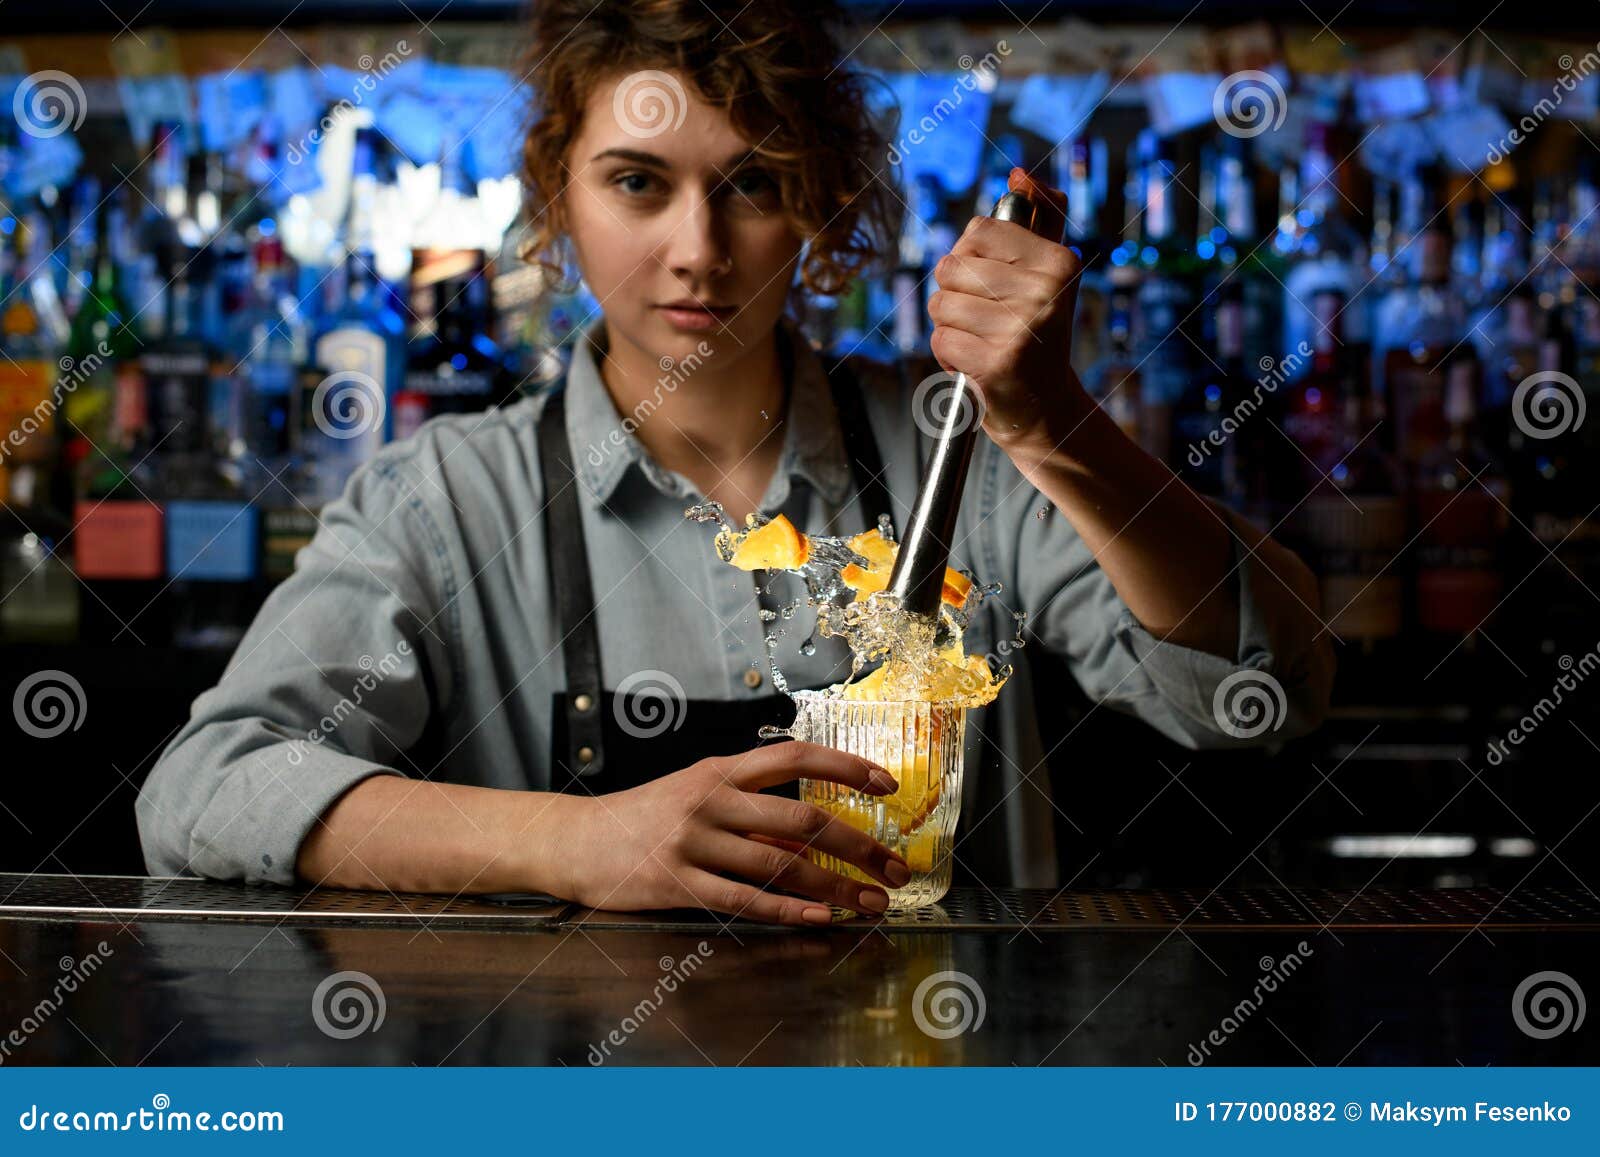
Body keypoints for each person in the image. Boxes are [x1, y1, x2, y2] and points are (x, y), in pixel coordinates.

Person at [136, 0, 1334, 925]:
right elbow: (204, 788)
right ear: (557, 192)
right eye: (637, 183)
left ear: (816, 202)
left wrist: (1055, 428)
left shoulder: (962, 453)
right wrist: (576, 841)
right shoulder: (448, 499)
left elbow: (1259, 695)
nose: (696, 251)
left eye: (750, 184)